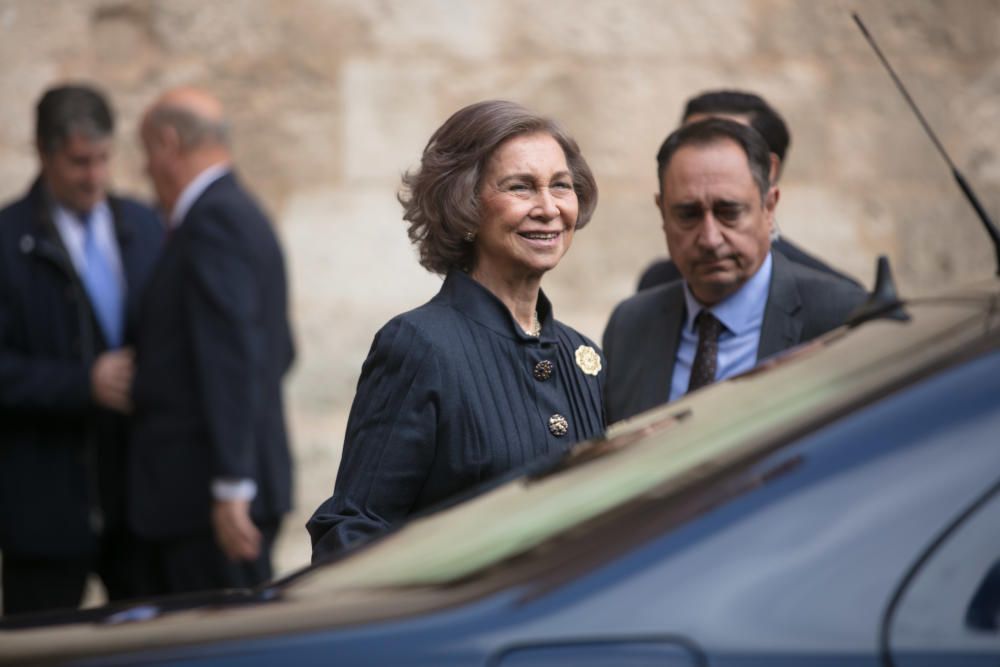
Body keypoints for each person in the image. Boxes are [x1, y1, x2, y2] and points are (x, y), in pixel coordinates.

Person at [308, 100, 606, 559]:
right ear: (464, 203)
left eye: (561, 186)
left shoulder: (582, 356)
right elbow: (352, 533)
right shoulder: (420, 345)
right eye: (521, 187)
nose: (548, 208)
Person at [0, 84, 163, 614]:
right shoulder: (6, 241)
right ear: (44, 154)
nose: (94, 176)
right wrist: (81, 383)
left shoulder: (142, 224)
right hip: (43, 504)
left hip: (136, 499)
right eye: (78, 162)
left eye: (102, 159)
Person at [129, 87, 295, 593]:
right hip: (220, 491)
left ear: (168, 142)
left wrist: (231, 486)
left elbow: (234, 358)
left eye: (145, 154)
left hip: (210, 501)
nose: (145, 171)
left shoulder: (213, 220)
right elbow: (279, 350)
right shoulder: (239, 210)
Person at [602, 119, 866, 424]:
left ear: (769, 208)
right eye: (688, 215)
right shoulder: (630, 326)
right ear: (662, 213)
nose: (710, 239)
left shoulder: (841, 319)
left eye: (729, 212)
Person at [636, 90, 859, 291]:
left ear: (768, 172)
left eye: (724, 144)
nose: (710, 239)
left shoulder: (835, 301)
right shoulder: (653, 288)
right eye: (694, 142)